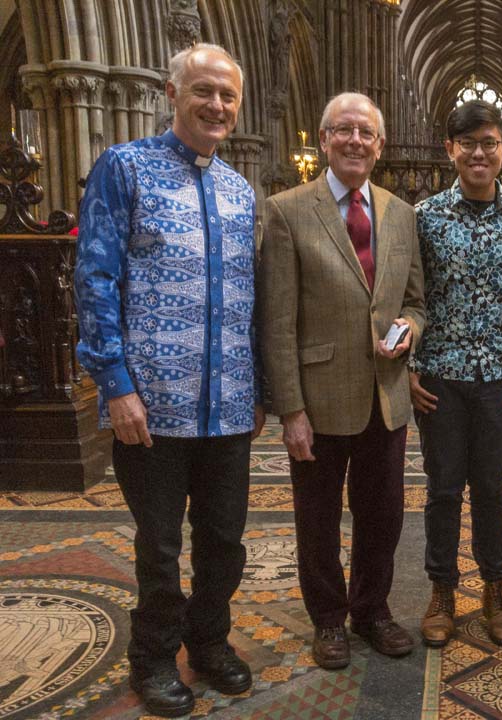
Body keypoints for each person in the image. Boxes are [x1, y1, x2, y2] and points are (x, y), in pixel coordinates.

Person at [75, 44, 263, 717]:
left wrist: (258, 388)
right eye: (204, 91)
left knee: (225, 542)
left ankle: (209, 642)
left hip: (230, 406)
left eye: (228, 96)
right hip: (149, 405)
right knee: (159, 546)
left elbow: (252, 298)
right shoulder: (124, 169)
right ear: (171, 91)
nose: (217, 106)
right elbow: (95, 278)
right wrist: (115, 382)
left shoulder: (241, 191)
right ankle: (153, 656)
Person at [258, 92, 425, 670]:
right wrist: (291, 410)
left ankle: (372, 610)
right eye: (344, 130)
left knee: (384, 513)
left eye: (367, 133)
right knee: (318, 516)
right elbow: (277, 319)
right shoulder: (285, 209)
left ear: (380, 146)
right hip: (319, 398)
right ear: (324, 139)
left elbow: (415, 302)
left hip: (386, 395)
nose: (356, 141)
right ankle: (328, 619)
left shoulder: (402, 214)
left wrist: (408, 328)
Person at [411, 100, 502, 648]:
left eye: (489, 143)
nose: (479, 153)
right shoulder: (425, 216)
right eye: (468, 144)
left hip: (496, 378)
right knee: (442, 490)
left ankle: (495, 589)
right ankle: (442, 591)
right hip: (439, 373)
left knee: (490, 486)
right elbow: (409, 295)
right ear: (451, 150)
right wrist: (410, 366)